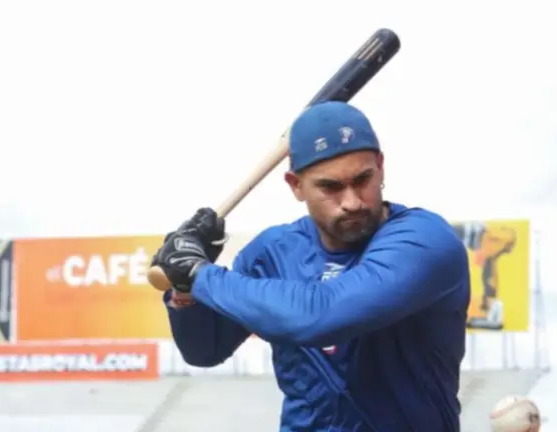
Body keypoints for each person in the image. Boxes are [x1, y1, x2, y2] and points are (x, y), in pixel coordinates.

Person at [152, 101, 470, 431]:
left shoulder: (423, 240)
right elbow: (204, 350)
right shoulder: (272, 251)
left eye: (363, 179)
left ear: (380, 166)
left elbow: (320, 316)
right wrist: (184, 288)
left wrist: (198, 273)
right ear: (295, 185)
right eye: (331, 187)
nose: (352, 202)